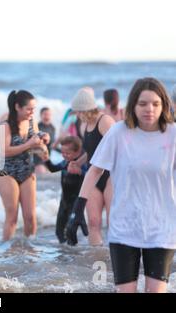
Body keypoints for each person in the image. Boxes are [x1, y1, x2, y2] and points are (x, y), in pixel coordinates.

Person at [66, 77, 176, 293]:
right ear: (133, 104)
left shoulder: (172, 135)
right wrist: (78, 209)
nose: (149, 109)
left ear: (164, 105)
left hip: (162, 228)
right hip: (124, 227)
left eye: (155, 103)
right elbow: (95, 169)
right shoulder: (119, 133)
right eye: (143, 103)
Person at [0, 90, 50, 241]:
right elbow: (3, 151)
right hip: (7, 173)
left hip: (27, 171)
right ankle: (6, 252)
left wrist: (43, 144)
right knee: (12, 217)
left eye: (34, 108)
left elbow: (37, 140)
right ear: (17, 107)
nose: (33, 112)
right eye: (29, 109)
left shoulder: (32, 121)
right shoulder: (4, 124)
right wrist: (28, 144)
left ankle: (30, 252)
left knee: (30, 217)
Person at [69, 87, 115, 246]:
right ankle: (97, 257)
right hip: (93, 177)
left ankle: (114, 259)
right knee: (93, 222)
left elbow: (119, 151)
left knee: (112, 223)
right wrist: (79, 161)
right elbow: (92, 151)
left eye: (80, 112)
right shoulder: (83, 125)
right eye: (77, 113)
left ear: (88, 109)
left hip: (111, 177)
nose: (78, 116)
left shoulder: (105, 121)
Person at [40, 136, 87, 243]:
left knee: (71, 230)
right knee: (59, 231)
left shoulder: (81, 165)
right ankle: (65, 253)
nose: (64, 155)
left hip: (76, 203)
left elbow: (90, 177)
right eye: (62, 152)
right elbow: (53, 169)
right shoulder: (65, 162)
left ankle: (74, 251)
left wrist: (80, 172)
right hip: (64, 202)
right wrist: (46, 160)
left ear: (78, 152)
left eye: (67, 153)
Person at [34, 107, 56, 174]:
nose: (47, 116)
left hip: (47, 158)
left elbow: (52, 145)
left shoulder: (52, 128)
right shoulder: (37, 127)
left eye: (49, 114)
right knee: (42, 174)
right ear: (41, 115)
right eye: (45, 114)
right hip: (37, 159)